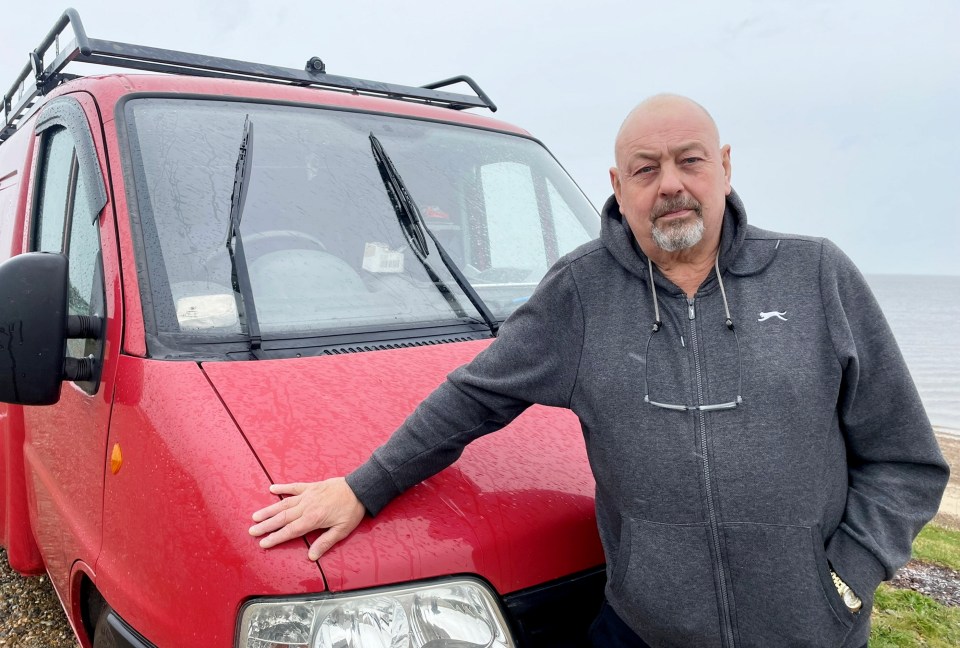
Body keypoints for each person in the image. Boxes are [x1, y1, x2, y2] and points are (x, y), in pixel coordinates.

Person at [249, 94, 949, 647]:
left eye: (689, 161)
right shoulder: (580, 294)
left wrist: (849, 574)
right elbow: (474, 397)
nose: (670, 184)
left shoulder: (815, 274)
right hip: (643, 635)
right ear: (617, 183)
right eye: (646, 168)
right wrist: (363, 487)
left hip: (813, 636)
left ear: (726, 166)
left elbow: (905, 459)